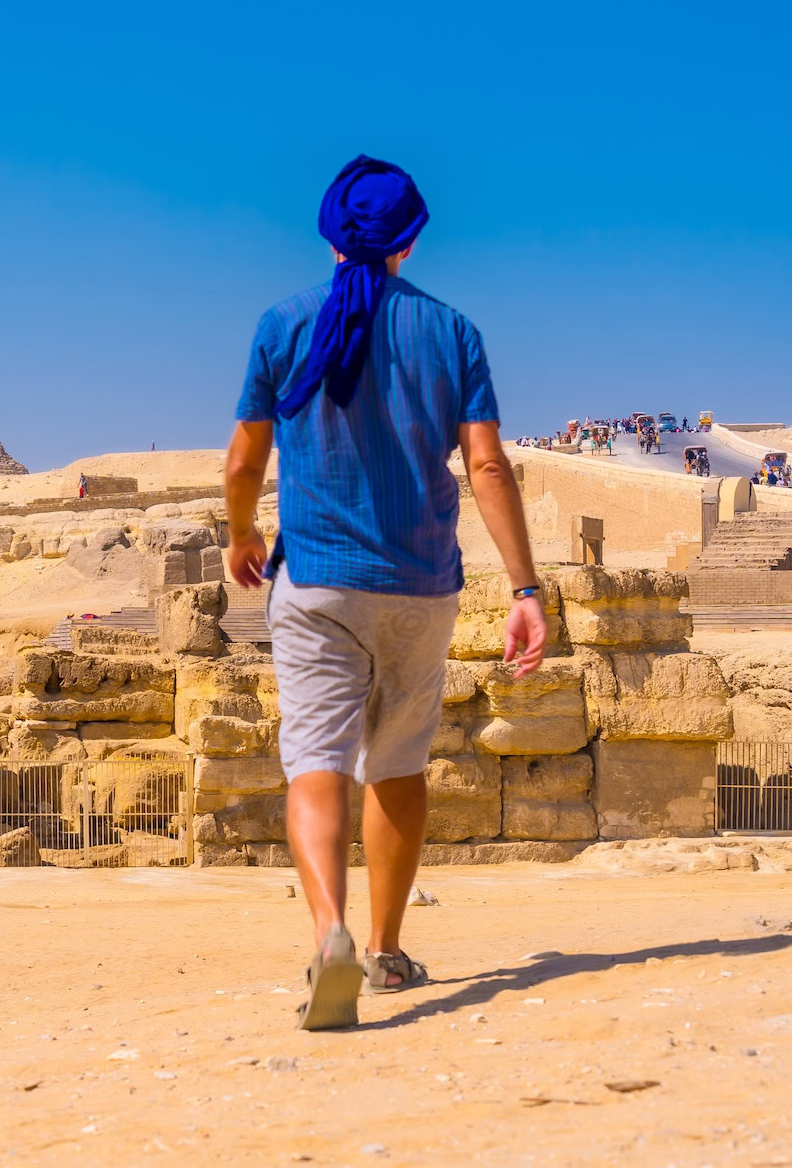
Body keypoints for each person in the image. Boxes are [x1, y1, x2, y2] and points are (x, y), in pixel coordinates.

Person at [225, 155, 547, 1032]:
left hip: (318, 581)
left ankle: (327, 931)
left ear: (329, 232)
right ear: (411, 238)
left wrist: (242, 534)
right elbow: (486, 463)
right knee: (398, 763)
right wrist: (525, 587)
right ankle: (385, 950)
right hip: (420, 585)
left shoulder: (283, 325)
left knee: (316, 763)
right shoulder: (453, 332)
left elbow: (244, 462)